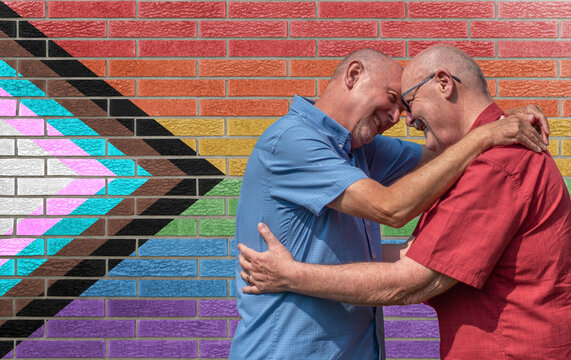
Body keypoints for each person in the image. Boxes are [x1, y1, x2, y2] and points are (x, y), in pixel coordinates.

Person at [237, 45, 570, 360]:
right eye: (396, 99)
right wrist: (487, 134)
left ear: (444, 83)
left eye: (407, 105)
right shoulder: (293, 141)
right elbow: (390, 208)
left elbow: (444, 156)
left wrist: (502, 125)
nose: (400, 117)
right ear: (353, 75)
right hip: (288, 350)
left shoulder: (360, 151)